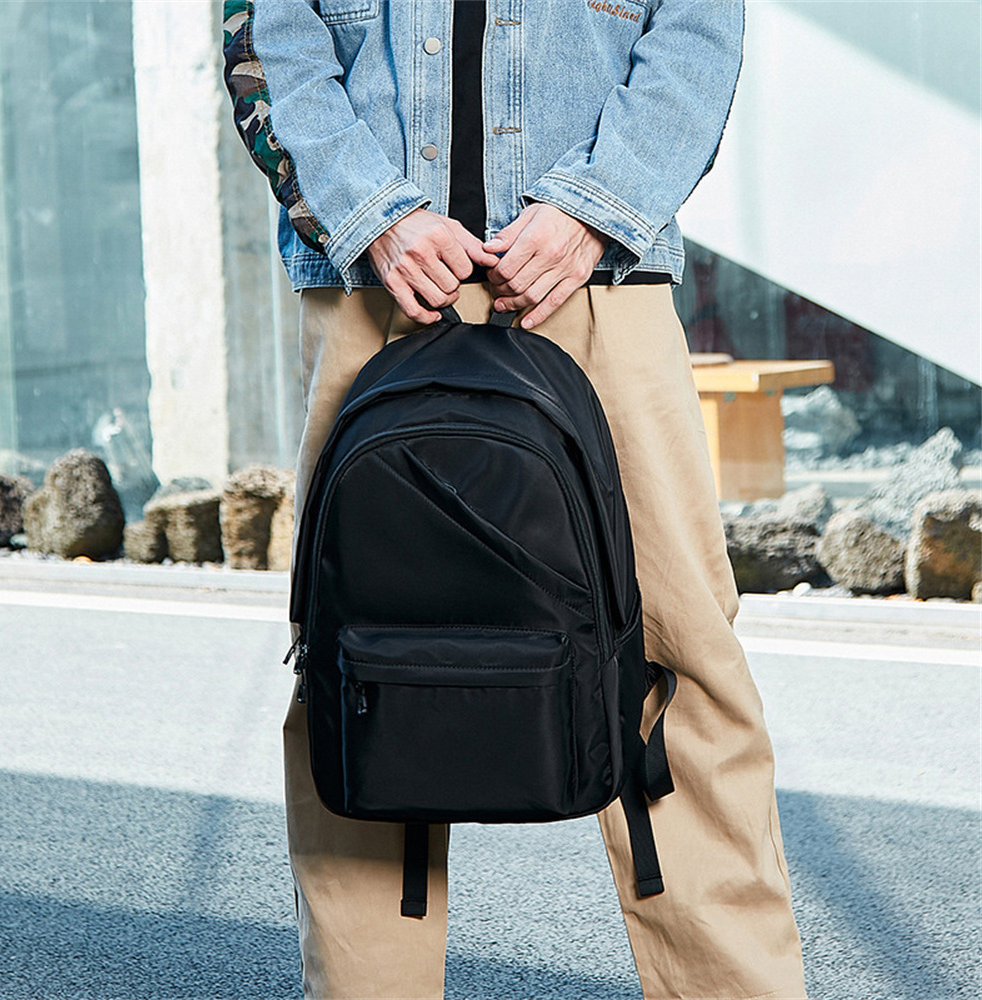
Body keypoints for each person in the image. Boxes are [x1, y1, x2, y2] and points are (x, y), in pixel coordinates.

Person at [222, 1, 808, 997]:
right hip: (377, 280)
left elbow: (697, 26)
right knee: (360, 670)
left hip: (599, 279)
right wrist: (372, 215)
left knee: (678, 665)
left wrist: (595, 206)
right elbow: (269, 29)